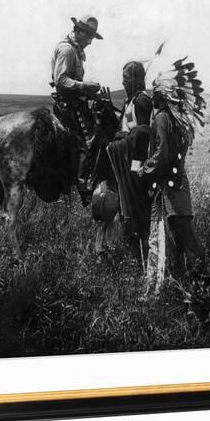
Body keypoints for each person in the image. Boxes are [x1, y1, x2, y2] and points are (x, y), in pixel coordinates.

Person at [138, 57, 205, 294]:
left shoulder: (162, 118)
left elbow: (162, 154)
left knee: (185, 239)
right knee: (179, 239)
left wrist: (144, 169)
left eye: (156, 92)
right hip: (177, 185)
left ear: (164, 95)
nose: (152, 96)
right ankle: (187, 289)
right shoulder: (176, 120)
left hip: (171, 188)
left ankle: (203, 288)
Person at [50, 15, 103, 206]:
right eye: (88, 35)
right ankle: (84, 189)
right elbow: (60, 80)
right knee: (87, 142)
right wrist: (84, 86)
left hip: (74, 101)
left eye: (92, 36)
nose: (90, 41)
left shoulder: (75, 49)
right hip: (68, 105)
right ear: (78, 31)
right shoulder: (67, 49)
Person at [106, 61, 153, 263]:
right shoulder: (131, 100)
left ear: (136, 79)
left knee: (138, 208)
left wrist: (123, 139)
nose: (123, 82)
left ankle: (142, 254)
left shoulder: (141, 101)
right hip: (129, 161)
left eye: (126, 78)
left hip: (136, 164)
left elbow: (142, 134)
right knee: (129, 208)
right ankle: (134, 253)